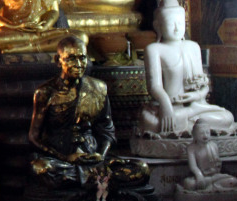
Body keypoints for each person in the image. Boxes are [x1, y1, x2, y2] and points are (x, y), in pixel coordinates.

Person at [28, 36, 149, 188]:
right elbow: (33, 137)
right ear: (58, 60)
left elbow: (107, 130)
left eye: (82, 58)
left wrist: (100, 155)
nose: (78, 64)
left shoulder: (98, 88)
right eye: (71, 58)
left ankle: (88, 177)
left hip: (92, 155)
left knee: (141, 169)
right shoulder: (45, 92)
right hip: (62, 158)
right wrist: (65, 157)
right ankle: (97, 178)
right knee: (41, 168)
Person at [136, 0, 237, 144]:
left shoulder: (193, 47)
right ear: (158, 26)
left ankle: (187, 126)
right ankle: (192, 128)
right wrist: (166, 105)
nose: (177, 28)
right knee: (150, 122)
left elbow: (202, 85)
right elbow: (154, 86)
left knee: (227, 117)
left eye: (180, 23)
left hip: (196, 106)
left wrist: (195, 96)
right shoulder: (154, 50)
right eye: (171, 23)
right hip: (170, 107)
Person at [181, 120, 237, 192]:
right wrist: (199, 175)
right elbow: (193, 166)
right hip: (202, 177)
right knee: (189, 184)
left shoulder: (213, 146)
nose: (205, 135)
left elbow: (217, 166)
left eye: (207, 132)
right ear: (195, 135)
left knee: (233, 180)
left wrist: (217, 166)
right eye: (201, 133)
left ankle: (213, 187)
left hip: (214, 176)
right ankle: (215, 187)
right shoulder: (191, 148)